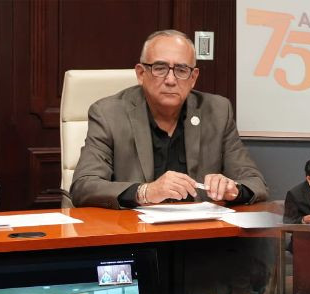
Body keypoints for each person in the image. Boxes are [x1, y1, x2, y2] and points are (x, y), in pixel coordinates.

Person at [70, 29, 267, 208]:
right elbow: (84, 185)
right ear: (141, 73)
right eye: (160, 68)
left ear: (193, 78)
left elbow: (255, 182)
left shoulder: (217, 111)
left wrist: (233, 189)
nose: (171, 80)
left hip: (199, 230)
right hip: (135, 230)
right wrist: (145, 192)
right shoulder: (108, 113)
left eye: (181, 70)